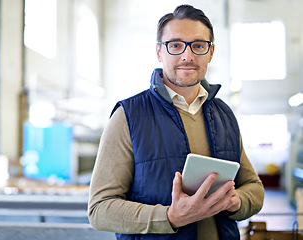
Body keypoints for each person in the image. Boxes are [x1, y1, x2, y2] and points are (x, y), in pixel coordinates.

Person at [88, 4, 264, 240]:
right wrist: (170, 217)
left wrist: (236, 201)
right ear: (159, 52)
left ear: (211, 52)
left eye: (198, 45)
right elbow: (100, 210)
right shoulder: (128, 115)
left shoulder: (224, 115)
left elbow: (254, 187)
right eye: (175, 45)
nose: (187, 56)